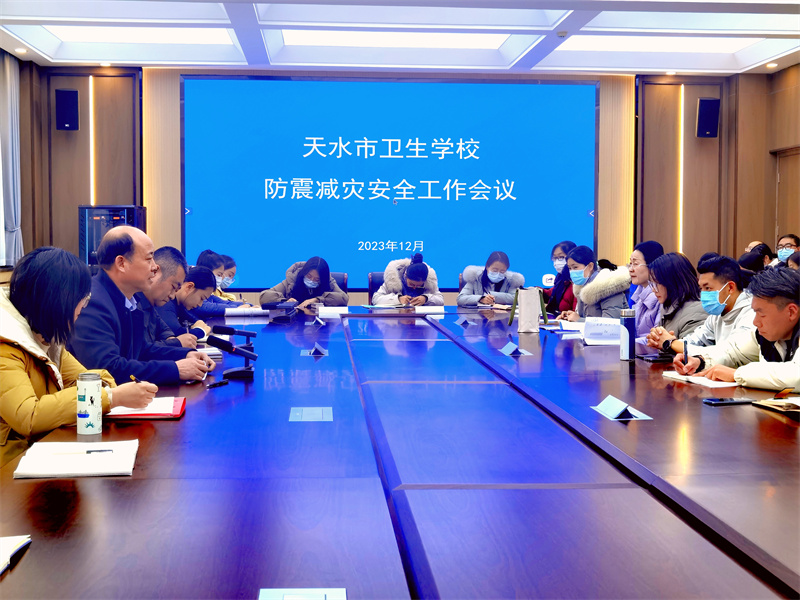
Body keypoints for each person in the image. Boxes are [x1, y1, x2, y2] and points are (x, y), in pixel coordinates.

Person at [1, 247, 156, 465]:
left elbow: (90, 379)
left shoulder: (47, 340)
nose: (83, 306)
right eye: (81, 299)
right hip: (10, 466)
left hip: (41, 453)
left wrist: (104, 392)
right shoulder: (6, 346)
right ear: (57, 300)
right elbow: (29, 416)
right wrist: (111, 397)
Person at [69, 226, 214, 385]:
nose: (155, 267)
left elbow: (142, 351)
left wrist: (185, 355)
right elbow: (107, 369)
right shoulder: (92, 301)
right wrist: (176, 369)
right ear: (121, 263)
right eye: (149, 259)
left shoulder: (129, 300)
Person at [674, 267, 800, 392]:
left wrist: (736, 374)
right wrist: (700, 361)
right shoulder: (765, 336)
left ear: (791, 312)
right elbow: (732, 353)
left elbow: (796, 375)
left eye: (762, 315)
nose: (755, 322)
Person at [648, 255, 755, 356]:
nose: (703, 294)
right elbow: (695, 340)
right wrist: (664, 341)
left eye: (708, 288)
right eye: (701, 288)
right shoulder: (717, 314)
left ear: (730, 288)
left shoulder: (751, 313)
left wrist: (672, 343)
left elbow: (727, 353)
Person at [136, 246, 197, 349]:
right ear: (155, 271)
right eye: (173, 287)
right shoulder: (132, 303)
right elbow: (141, 351)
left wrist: (171, 339)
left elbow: (164, 330)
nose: (172, 296)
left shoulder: (150, 305)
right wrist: (176, 343)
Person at [645, 252, 706, 345]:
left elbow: (690, 350)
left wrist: (666, 344)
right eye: (652, 284)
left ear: (672, 282)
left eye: (657, 283)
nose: (653, 290)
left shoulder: (698, 311)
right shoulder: (669, 304)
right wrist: (655, 339)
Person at [557, 246, 630, 321]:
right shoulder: (582, 286)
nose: (572, 272)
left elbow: (611, 323)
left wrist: (578, 320)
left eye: (575, 267)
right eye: (570, 268)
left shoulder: (608, 287)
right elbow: (587, 318)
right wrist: (569, 317)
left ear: (590, 266)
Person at [259, 257, 349, 308]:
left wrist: (318, 300)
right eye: (309, 276)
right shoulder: (293, 278)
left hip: (322, 323)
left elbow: (344, 298)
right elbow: (264, 296)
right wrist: (285, 301)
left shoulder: (328, 281)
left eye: (317, 279)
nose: (312, 280)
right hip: (293, 325)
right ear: (304, 272)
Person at [157, 267, 217, 339]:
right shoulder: (166, 301)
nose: (200, 304)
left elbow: (196, 322)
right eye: (201, 298)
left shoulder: (179, 304)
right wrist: (201, 331)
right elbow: (176, 334)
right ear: (189, 287)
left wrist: (200, 325)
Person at [627, 241, 664, 344]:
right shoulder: (638, 293)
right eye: (630, 264)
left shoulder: (661, 296)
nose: (630, 269)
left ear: (652, 265)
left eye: (635, 264)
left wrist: (626, 343)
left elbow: (657, 339)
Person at [373, 253, 444, 306]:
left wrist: (426, 298)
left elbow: (440, 300)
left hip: (421, 318)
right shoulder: (394, 278)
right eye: (411, 284)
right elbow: (376, 299)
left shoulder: (429, 282)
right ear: (405, 275)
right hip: (397, 318)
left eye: (419, 286)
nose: (414, 288)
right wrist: (398, 299)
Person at [457, 251, 524, 307]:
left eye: (502, 271)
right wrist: (481, 298)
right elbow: (461, 299)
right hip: (477, 316)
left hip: (502, 316)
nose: (498, 274)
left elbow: (517, 299)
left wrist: (493, 296)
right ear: (487, 267)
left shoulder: (511, 280)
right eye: (495, 270)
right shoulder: (475, 277)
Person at [191, 250, 246, 318]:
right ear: (207, 271)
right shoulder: (195, 287)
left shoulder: (209, 293)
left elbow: (224, 302)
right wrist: (236, 309)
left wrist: (249, 305)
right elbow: (205, 307)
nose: (221, 278)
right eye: (219, 275)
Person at [541, 241, 577, 314]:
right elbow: (553, 293)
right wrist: (538, 290)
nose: (557, 261)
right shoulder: (560, 277)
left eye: (561, 257)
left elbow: (576, 313)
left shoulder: (577, 280)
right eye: (555, 258)